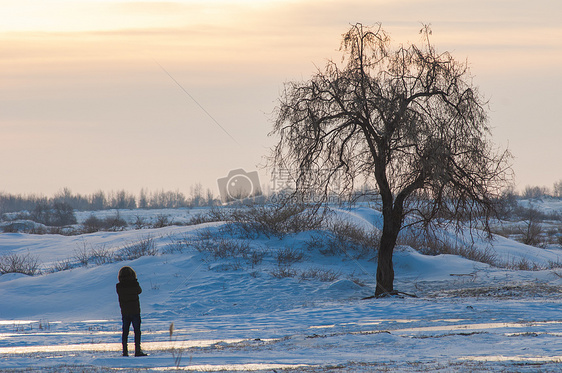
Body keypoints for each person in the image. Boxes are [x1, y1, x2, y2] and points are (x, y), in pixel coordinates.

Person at [116, 266, 147, 357]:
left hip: (125, 312)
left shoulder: (119, 286)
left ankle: (125, 351)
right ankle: (137, 350)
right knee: (137, 331)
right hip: (135, 311)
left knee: (125, 332)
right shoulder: (134, 285)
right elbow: (139, 291)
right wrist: (135, 281)